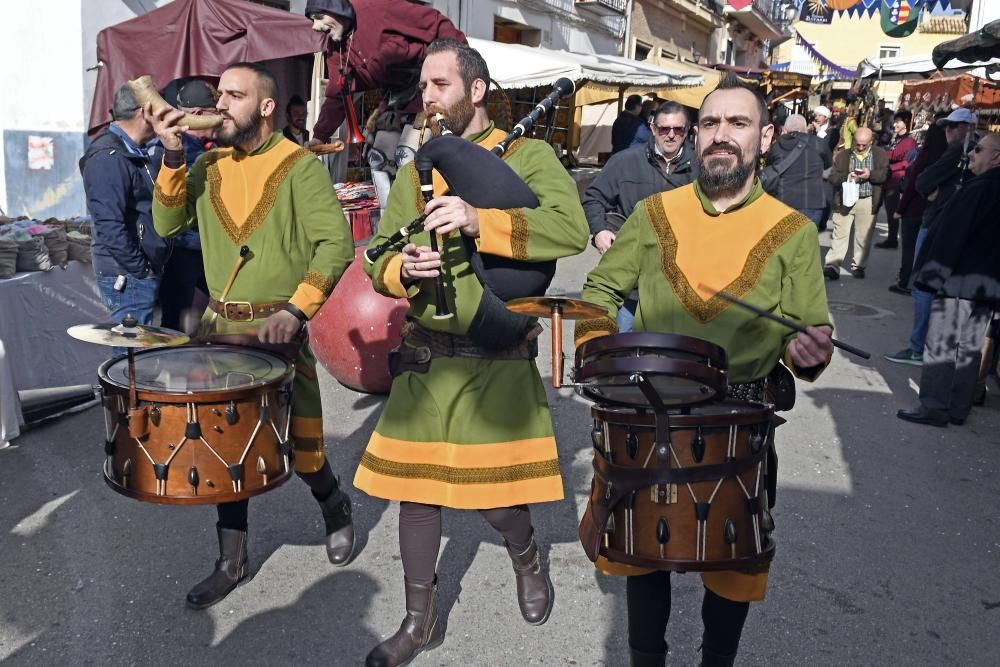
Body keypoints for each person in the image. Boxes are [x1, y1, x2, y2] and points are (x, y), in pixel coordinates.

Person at [575, 72, 833, 667]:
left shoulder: (792, 232)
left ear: (764, 138)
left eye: (737, 123)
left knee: (732, 570)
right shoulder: (653, 212)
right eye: (710, 123)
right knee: (644, 560)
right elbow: (599, 288)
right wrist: (598, 347)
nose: (721, 135)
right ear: (694, 137)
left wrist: (807, 353)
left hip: (739, 423)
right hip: (649, 416)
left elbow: (808, 332)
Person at [354, 40, 589, 667]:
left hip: (494, 357)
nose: (425, 98)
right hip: (428, 357)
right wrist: (404, 266)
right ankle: (418, 622)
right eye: (423, 88)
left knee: (490, 498)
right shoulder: (416, 170)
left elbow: (569, 229)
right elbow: (378, 254)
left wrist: (480, 220)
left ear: (476, 90)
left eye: (438, 85)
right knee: (417, 493)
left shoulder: (531, 156)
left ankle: (527, 554)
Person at [149, 62, 356, 609]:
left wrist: (298, 307)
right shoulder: (209, 164)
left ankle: (335, 505)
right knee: (222, 451)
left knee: (305, 451)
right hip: (220, 334)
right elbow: (167, 225)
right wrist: (173, 155)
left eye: (234, 96)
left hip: (278, 329)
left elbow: (334, 246)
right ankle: (231, 562)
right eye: (219, 94)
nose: (221, 104)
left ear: (266, 107)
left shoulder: (300, 165)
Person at [897, 132, 1000, 427]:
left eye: (979, 150)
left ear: (996, 157)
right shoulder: (978, 185)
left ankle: (934, 407)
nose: (971, 154)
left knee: (944, 344)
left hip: (959, 281)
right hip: (986, 284)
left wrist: (930, 278)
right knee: (970, 347)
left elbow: (950, 238)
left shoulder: (977, 189)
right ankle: (957, 406)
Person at [582, 100, 696, 331]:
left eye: (678, 130)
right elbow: (593, 197)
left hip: (681, 289)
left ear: (687, 131)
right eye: (664, 129)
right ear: (653, 129)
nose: (671, 135)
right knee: (624, 355)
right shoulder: (625, 161)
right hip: (631, 285)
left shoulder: (701, 168)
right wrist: (599, 231)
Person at [80, 83, 169, 345]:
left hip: (137, 271)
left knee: (140, 356)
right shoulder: (109, 156)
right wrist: (140, 269)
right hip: (128, 275)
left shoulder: (132, 150)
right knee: (130, 358)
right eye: (159, 110)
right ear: (145, 113)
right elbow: (109, 225)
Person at [885, 109, 976, 365]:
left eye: (954, 126)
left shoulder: (959, 152)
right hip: (942, 224)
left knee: (923, 286)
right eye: (946, 127)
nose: (948, 131)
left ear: (968, 128)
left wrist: (933, 191)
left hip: (938, 225)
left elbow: (922, 179)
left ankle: (919, 348)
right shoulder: (956, 151)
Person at [304, 0, 465, 145]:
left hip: (427, 88)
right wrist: (320, 135)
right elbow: (337, 94)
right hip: (396, 97)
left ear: (337, 7)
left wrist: (461, 62)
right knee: (379, 160)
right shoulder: (336, 49)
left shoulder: (377, 9)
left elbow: (435, 23)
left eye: (319, 17)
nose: (315, 26)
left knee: (408, 154)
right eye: (312, 20)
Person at [147, 79, 219, 332]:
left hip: (205, 249)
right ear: (198, 115)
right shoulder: (168, 148)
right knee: (176, 323)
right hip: (181, 251)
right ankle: (173, 370)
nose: (220, 118)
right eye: (215, 112)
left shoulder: (207, 147)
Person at [888, 117, 947, 295]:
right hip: (932, 210)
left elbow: (914, 184)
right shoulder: (946, 156)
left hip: (914, 209)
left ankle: (906, 282)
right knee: (922, 249)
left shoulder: (926, 154)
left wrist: (900, 208)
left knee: (909, 248)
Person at [823, 127, 889, 280]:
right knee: (839, 234)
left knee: (863, 236)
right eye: (857, 144)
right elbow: (833, 177)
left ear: (871, 142)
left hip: (867, 200)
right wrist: (848, 176)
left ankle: (858, 266)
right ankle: (832, 266)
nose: (860, 148)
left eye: (864, 145)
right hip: (845, 200)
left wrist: (869, 175)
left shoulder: (879, 154)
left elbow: (885, 175)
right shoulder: (843, 155)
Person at [762, 113, 832, 228]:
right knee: (807, 243)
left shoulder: (777, 145)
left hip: (784, 201)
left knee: (785, 243)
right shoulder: (818, 143)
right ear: (805, 129)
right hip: (812, 202)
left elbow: (770, 169)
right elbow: (828, 164)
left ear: (784, 129)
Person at [874, 111, 917, 249]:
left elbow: (904, 160)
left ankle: (892, 239)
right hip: (886, 177)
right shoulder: (896, 138)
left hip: (896, 180)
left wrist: (882, 155)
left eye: (898, 121)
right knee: (876, 206)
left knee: (892, 211)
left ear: (906, 123)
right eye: (895, 121)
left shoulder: (909, 141)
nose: (895, 124)